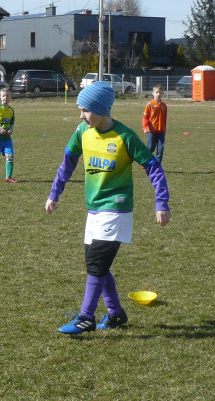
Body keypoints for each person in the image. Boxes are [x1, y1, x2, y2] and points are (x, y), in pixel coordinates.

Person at [45, 81, 170, 335]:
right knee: (99, 266)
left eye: (85, 110)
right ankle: (115, 314)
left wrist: (161, 202)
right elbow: (67, 163)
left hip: (117, 209)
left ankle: (86, 317)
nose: (81, 115)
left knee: (96, 264)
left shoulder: (124, 136)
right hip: (94, 210)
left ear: (101, 109)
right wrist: (55, 193)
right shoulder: (82, 132)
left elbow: (153, 166)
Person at [142, 85, 167, 162]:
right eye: (157, 92)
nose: (158, 94)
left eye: (160, 92)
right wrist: (145, 127)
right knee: (151, 147)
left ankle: (157, 165)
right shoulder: (149, 104)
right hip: (151, 130)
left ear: (163, 94)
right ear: (153, 93)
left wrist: (164, 129)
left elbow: (164, 118)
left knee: (160, 148)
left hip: (161, 130)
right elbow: (145, 117)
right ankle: (145, 162)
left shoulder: (164, 105)